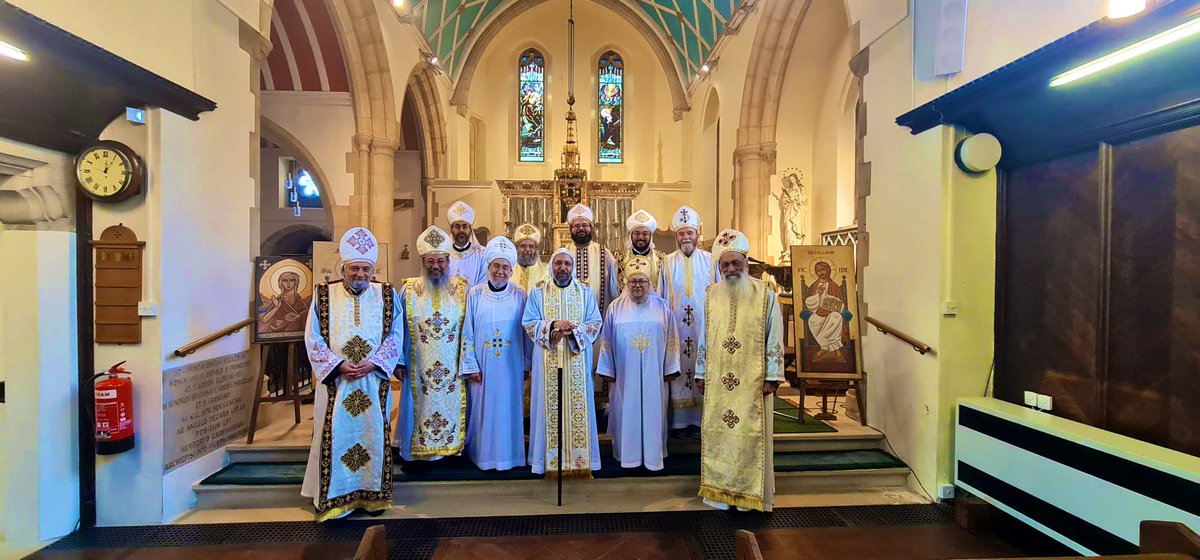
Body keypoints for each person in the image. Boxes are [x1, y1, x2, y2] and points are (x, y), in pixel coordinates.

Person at [301, 227, 404, 522]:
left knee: (373, 433)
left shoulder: (386, 294)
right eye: (354, 268)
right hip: (337, 381)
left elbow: (397, 334)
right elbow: (313, 337)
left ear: (373, 270)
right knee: (334, 434)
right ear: (343, 268)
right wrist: (336, 365)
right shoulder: (323, 295)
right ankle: (335, 495)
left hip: (373, 380)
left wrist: (375, 363)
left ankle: (371, 495)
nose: (359, 273)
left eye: (365, 269)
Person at [695, 229, 785, 512]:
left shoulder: (765, 295)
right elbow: (704, 335)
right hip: (719, 381)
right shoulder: (712, 295)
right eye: (725, 265)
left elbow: (775, 336)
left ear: (746, 263)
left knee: (751, 435)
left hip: (753, 382)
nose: (731, 269)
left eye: (736, 263)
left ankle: (750, 497)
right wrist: (700, 372)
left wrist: (773, 375)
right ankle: (719, 492)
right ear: (719, 268)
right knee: (719, 434)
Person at [522, 248, 603, 477]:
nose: (563, 268)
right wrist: (552, 325)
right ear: (552, 265)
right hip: (547, 360)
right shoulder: (538, 291)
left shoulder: (585, 291)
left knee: (578, 407)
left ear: (573, 266)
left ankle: (579, 462)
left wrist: (573, 331)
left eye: (567, 264)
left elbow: (595, 323)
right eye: (558, 263)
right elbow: (529, 322)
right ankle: (545, 461)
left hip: (575, 358)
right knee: (548, 408)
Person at [597, 255, 681, 471]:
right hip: (626, 376)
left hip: (655, 374)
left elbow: (672, 340)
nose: (637, 286)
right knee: (627, 410)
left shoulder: (662, 308)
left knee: (654, 412)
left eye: (642, 281)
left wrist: (670, 368)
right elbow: (606, 341)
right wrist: (608, 371)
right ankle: (629, 455)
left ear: (649, 283)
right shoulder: (615, 308)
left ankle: (653, 456)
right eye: (633, 281)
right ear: (626, 283)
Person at [395, 225, 470, 463]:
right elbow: (397, 329)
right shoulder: (408, 289)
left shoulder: (462, 289)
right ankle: (415, 451)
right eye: (430, 261)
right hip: (417, 365)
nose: (435, 266)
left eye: (440, 261)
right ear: (422, 261)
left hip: (452, 367)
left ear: (449, 260)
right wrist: (397, 360)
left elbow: (469, 329)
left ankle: (449, 450)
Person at [460, 237, 531, 471]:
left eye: (505, 267)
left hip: (511, 366)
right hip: (483, 367)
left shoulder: (520, 294)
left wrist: (526, 364)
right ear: (488, 267)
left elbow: (527, 332)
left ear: (511, 270)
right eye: (496, 266)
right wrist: (470, 365)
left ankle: (510, 456)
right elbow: (467, 332)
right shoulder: (475, 294)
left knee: (509, 409)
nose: (500, 272)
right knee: (482, 411)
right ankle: (483, 456)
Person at [662, 205, 712, 439]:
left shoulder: (711, 261)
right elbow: (661, 298)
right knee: (678, 370)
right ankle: (679, 424)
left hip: (704, 329)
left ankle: (700, 423)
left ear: (697, 234)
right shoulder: (667, 262)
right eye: (681, 233)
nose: (686, 237)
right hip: (676, 331)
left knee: (702, 370)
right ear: (676, 236)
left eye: (689, 233)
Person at [565, 203, 619, 317]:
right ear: (570, 229)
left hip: (600, 313)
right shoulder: (564, 252)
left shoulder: (604, 252)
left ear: (591, 228)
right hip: (569, 315)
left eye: (585, 225)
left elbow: (615, 284)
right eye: (576, 226)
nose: (581, 228)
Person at [801, 261, 852, 363]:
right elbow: (809, 303)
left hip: (831, 313)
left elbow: (840, 303)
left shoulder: (834, 286)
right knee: (812, 320)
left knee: (836, 317)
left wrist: (832, 302)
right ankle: (835, 349)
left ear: (828, 270)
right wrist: (818, 295)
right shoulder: (814, 286)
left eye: (823, 269)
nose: (821, 272)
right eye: (818, 271)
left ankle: (824, 349)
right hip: (818, 312)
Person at [614, 209, 667, 298]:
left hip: (655, 310)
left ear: (651, 236)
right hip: (627, 310)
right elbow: (614, 291)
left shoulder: (662, 259)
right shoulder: (620, 260)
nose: (641, 237)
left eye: (645, 233)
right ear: (631, 236)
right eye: (637, 233)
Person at [446, 201, 486, 287]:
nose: (461, 230)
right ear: (451, 230)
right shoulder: (444, 255)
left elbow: (484, 283)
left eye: (465, 226)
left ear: (470, 230)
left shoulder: (482, 254)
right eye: (457, 226)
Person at [512, 222, 548, 293]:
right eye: (523, 246)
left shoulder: (547, 272)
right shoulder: (509, 271)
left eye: (531, 246)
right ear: (516, 248)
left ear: (536, 249)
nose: (527, 250)